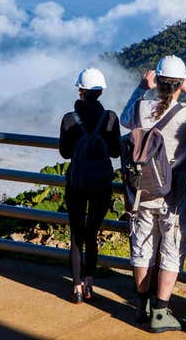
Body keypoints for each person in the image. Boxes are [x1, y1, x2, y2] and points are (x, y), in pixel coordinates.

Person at [121, 55, 186, 332]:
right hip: (172, 198)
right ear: (179, 83)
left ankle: (142, 306)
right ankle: (160, 313)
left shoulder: (139, 107)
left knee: (142, 248)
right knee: (172, 250)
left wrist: (140, 87)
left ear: (156, 80)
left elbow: (124, 119)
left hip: (140, 193)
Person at [59, 67, 121, 304]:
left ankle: (75, 289)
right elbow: (115, 151)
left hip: (76, 183)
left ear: (80, 91)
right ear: (101, 91)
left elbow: (65, 153)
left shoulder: (68, 119)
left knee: (76, 235)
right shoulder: (110, 118)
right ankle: (89, 286)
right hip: (101, 184)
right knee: (92, 234)